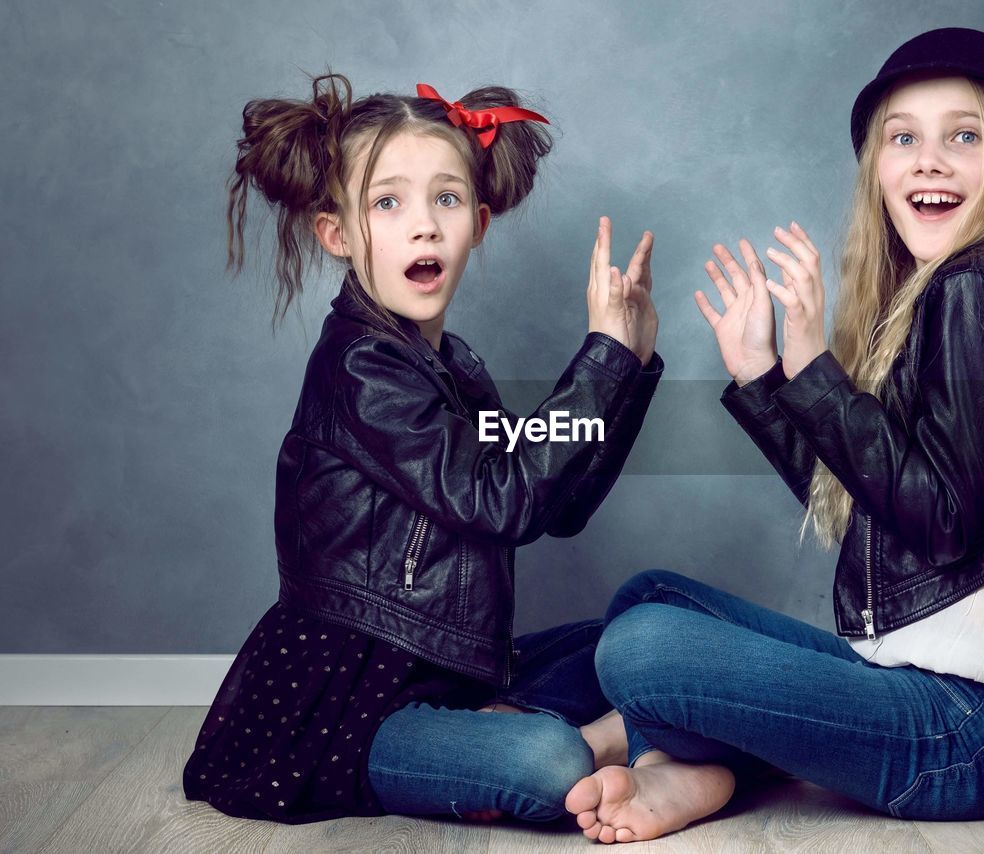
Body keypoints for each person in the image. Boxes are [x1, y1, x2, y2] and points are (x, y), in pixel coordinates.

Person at [566, 27, 984, 843]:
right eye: (904, 138)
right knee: (649, 600)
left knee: (641, 649)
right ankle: (687, 769)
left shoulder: (976, 289)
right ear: (877, 170)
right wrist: (764, 377)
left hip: (974, 732)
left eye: (964, 136)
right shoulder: (945, 292)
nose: (929, 160)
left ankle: (671, 760)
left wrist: (813, 364)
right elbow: (875, 511)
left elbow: (940, 524)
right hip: (923, 695)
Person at [183, 72, 660, 825]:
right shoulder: (362, 368)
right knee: (547, 763)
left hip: (456, 673)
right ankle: (610, 743)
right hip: (357, 706)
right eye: (387, 202)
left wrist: (624, 368)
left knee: (657, 625)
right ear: (336, 232)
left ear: (479, 220)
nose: (424, 226)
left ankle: (570, 731)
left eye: (445, 199)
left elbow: (555, 508)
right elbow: (506, 499)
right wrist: (599, 359)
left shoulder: (450, 366)